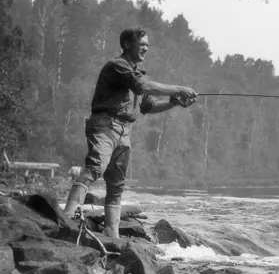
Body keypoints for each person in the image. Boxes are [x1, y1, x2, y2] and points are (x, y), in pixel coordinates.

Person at [64, 27, 197, 237]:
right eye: (141, 44)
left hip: (124, 131)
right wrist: (179, 89)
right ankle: (66, 217)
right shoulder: (118, 66)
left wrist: (174, 103)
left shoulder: (135, 73)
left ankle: (112, 233)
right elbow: (143, 86)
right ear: (127, 44)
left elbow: (149, 106)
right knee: (95, 167)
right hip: (105, 125)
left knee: (117, 184)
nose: (145, 48)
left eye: (147, 45)